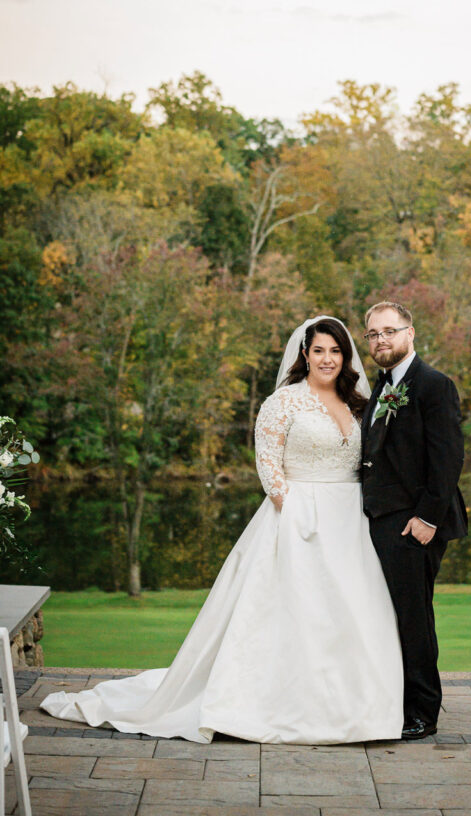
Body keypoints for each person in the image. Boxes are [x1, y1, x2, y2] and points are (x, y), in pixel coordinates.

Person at [41, 316, 403, 744]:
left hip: (353, 523)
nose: (328, 359)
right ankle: (282, 707)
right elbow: (269, 468)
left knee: (357, 616)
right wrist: (299, 518)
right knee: (299, 615)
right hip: (297, 521)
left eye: (336, 351)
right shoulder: (282, 403)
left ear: (346, 357)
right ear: (304, 355)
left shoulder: (362, 403)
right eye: (319, 350)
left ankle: (359, 709)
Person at [361, 300, 466, 740]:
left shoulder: (433, 385)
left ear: (410, 333)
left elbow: (448, 460)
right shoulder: (382, 387)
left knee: (413, 618)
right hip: (382, 521)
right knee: (386, 617)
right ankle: (393, 702)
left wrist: (426, 519)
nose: (381, 340)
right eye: (373, 334)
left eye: (389, 331)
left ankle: (423, 711)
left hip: (415, 526)